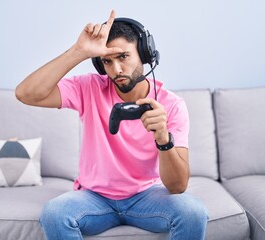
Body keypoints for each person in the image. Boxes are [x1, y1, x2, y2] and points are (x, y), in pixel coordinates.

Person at [15, 10, 208, 240]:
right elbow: (26, 94)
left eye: (123, 57)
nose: (116, 70)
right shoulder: (89, 88)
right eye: (107, 61)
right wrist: (78, 52)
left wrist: (163, 138)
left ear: (144, 55)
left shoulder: (172, 105)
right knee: (54, 213)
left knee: (193, 213)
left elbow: (177, 187)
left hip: (146, 196)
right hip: (94, 198)